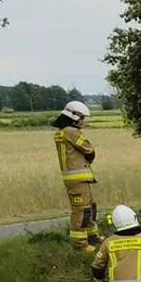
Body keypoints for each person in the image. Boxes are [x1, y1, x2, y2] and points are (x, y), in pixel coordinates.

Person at [53, 100, 100, 252]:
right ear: (74, 116)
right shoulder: (71, 132)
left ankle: (92, 236)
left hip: (77, 179)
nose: (83, 121)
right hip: (77, 179)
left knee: (90, 207)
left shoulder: (61, 132)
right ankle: (80, 244)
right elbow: (89, 149)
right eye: (82, 118)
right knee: (82, 210)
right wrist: (90, 157)